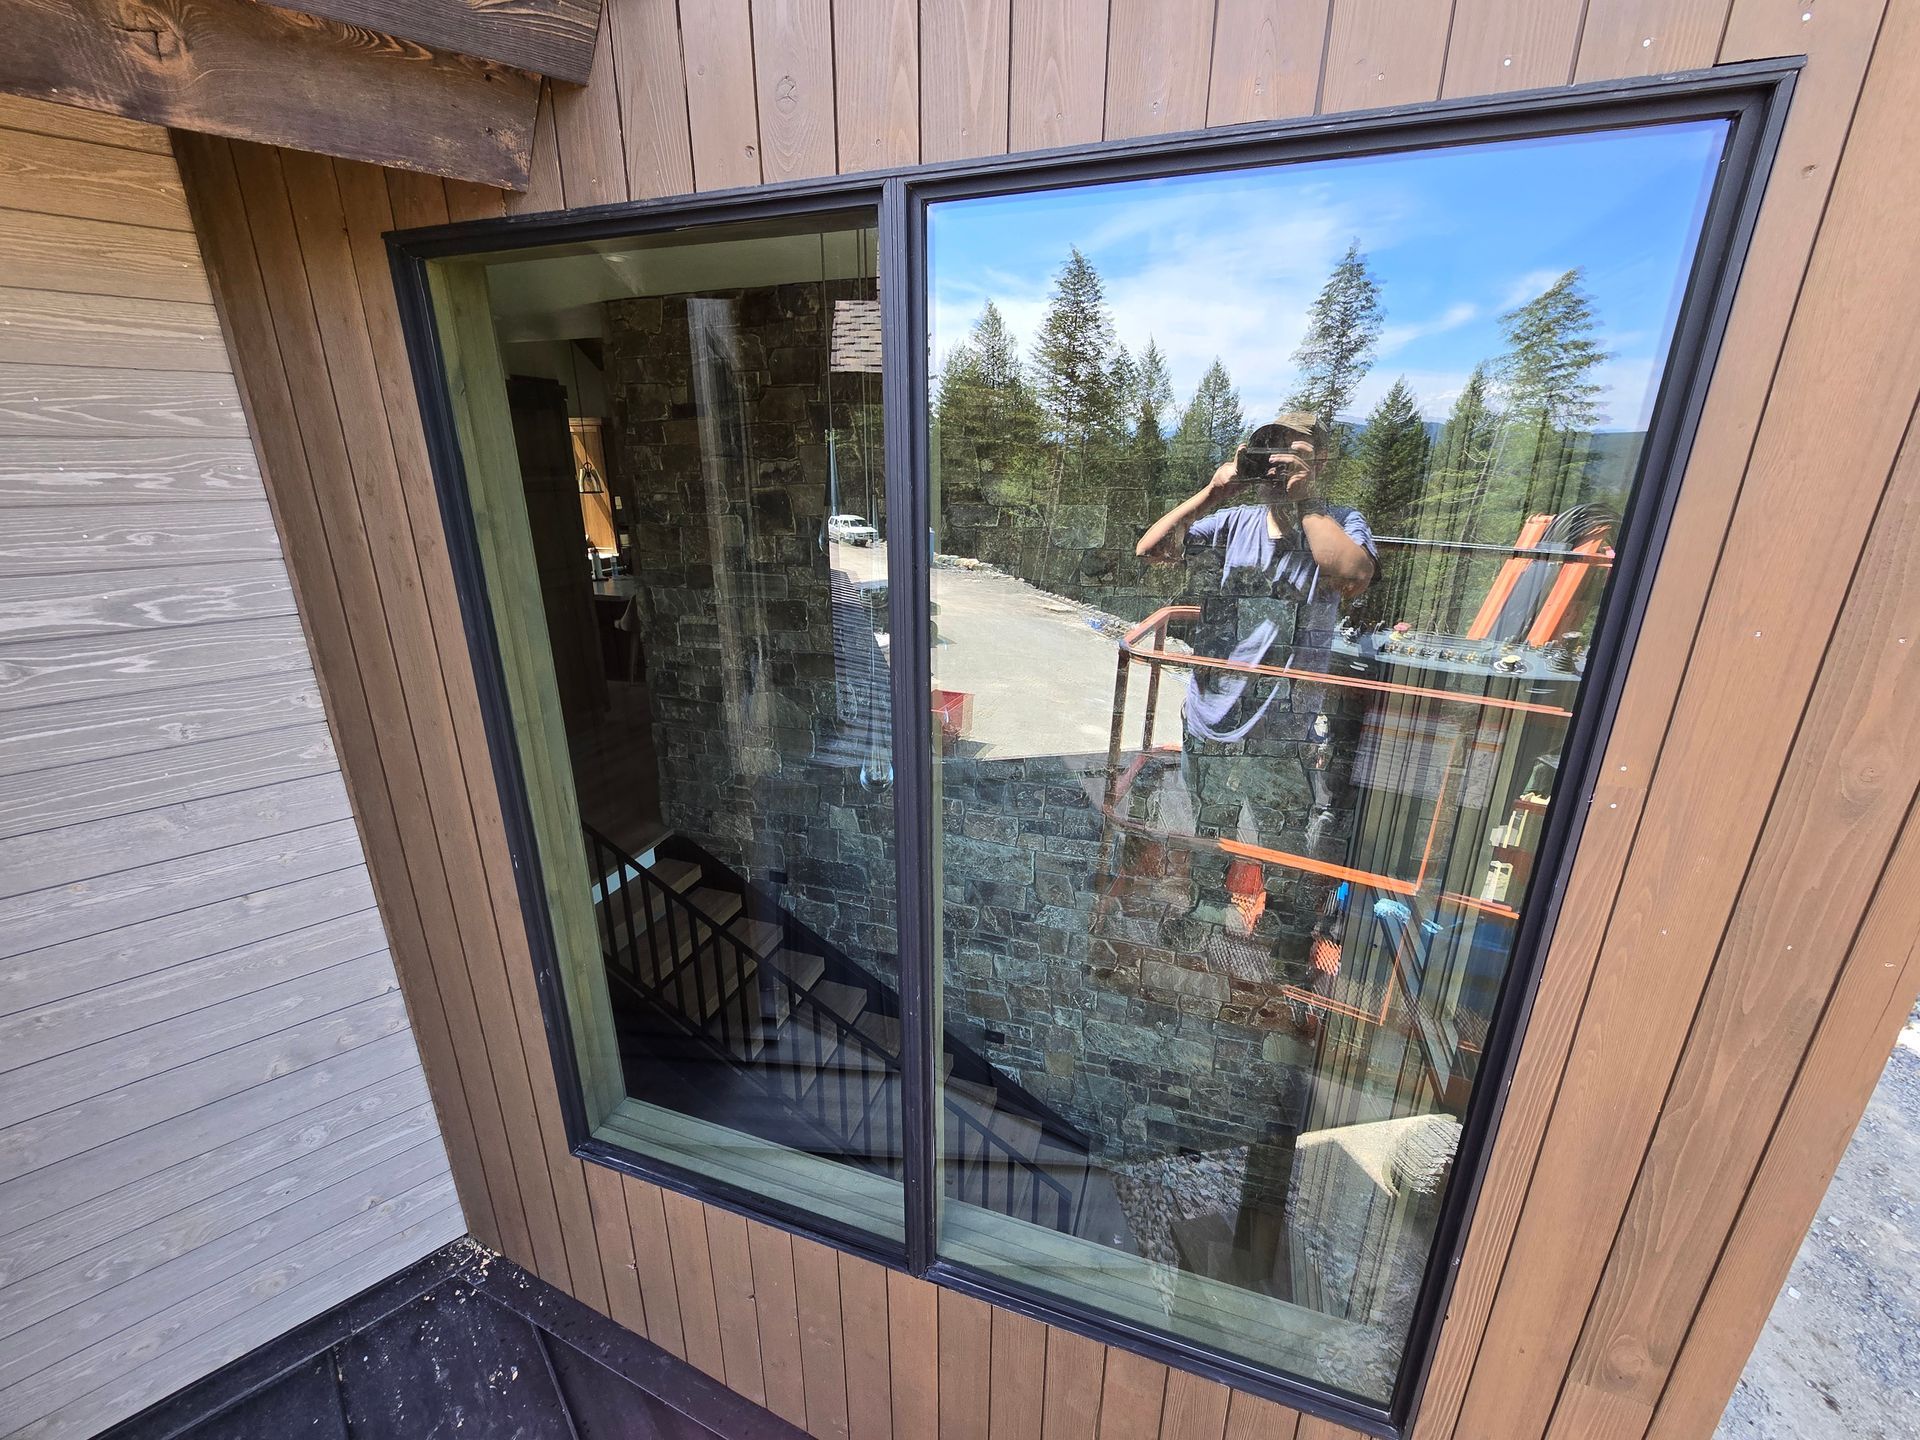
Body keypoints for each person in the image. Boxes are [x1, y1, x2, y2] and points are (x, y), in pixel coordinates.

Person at [1134, 412, 1376, 966]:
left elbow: (1351, 577)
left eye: (1299, 453)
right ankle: (1203, 908)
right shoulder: (1231, 521)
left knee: (1285, 842)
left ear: (1322, 462)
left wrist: (1307, 502)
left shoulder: (1339, 521)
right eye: (1272, 451)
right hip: (1209, 717)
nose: (1281, 462)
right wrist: (1212, 492)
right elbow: (1152, 551)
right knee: (1210, 827)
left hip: (1283, 732)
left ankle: (1289, 934)